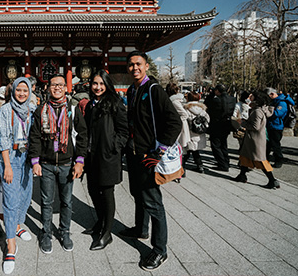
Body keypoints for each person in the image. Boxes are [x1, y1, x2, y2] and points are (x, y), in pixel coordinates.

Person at [120, 51, 181, 271]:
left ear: (146, 66)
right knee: (137, 193)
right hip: (134, 154)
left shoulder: (154, 90)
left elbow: (175, 122)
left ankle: (160, 250)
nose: (134, 68)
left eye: (138, 64)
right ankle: (140, 228)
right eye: (130, 65)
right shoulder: (132, 90)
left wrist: (159, 151)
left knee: (153, 202)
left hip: (149, 156)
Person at [28, 74, 88, 254]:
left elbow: (83, 135)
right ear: (48, 87)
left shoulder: (72, 109)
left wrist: (80, 160)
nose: (57, 88)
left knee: (67, 201)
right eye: (54, 85)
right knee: (46, 201)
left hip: (66, 163)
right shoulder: (41, 110)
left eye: (61, 85)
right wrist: (35, 161)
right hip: (46, 163)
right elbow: (35, 137)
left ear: (66, 88)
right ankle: (46, 233)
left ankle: (64, 231)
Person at [83, 70, 128, 251]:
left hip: (108, 157)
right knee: (93, 191)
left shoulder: (115, 102)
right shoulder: (90, 104)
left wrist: (113, 146)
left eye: (102, 84)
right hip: (92, 156)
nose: (98, 87)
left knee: (107, 194)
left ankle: (107, 232)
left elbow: (124, 131)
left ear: (107, 84)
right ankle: (100, 222)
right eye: (95, 83)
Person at [0, 77, 36, 274]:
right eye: (18, 90)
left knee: (25, 194)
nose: (21, 94)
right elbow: (1, 138)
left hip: (27, 158)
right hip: (10, 157)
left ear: (29, 92)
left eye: (25, 91)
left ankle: (18, 224)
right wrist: (7, 165)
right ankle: (10, 245)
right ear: (12, 91)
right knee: (10, 199)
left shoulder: (31, 110)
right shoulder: (5, 110)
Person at [233, 90, 280, 189]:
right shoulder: (259, 109)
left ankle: (272, 180)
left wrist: (243, 123)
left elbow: (255, 126)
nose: (250, 98)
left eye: (252, 96)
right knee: (245, 157)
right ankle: (242, 175)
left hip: (255, 139)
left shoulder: (257, 111)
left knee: (260, 160)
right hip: (252, 139)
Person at [204, 84, 236, 171]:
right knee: (223, 144)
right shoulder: (232, 99)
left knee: (215, 145)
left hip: (217, 124)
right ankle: (226, 161)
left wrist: (211, 94)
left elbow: (206, 104)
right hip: (227, 124)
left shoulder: (216, 100)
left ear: (217, 91)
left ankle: (222, 164)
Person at [265, 88, 295, 168]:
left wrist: (267, 111)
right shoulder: (275, 101)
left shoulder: (282, 102)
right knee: (268, 144)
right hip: (271, 125)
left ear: (272, 94)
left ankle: (279, 159)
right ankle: (265, 159)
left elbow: (277, 114)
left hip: (276, 126)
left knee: (275, 144)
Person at [183, 91, 209, 173]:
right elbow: (207, 120)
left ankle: (182, 168)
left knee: (187, 151)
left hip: (190, 132)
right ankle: (200, 166)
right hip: (199, 132)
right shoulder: (202, 109)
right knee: (194, 150)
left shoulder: (186, 109)